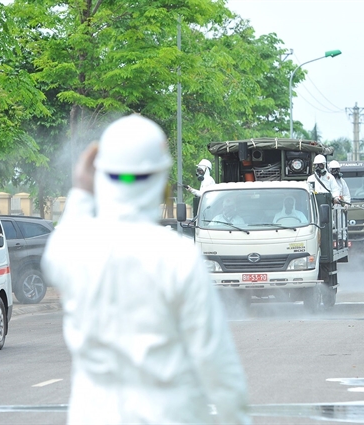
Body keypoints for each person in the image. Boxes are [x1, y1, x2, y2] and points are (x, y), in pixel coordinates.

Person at [41, 114, 250, 425]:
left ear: (101, 178)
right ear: (161, 182)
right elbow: (216, 364)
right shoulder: (178, 257)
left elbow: (67, 231)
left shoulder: (71, 251)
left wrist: (83, 190)